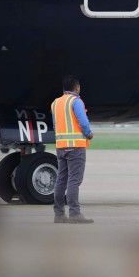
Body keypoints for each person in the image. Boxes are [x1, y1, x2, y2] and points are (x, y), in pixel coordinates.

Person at [51, 75, 94, 224]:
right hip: (76, 147)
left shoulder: (55, 103)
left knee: (61, 180)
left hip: (61, 146)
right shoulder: (75, 101)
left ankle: (59, 214)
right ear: (76, 88)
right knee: (74, 180)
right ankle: (75, 214)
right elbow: (83, 121)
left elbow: (55, 125)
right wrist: (89, 133)